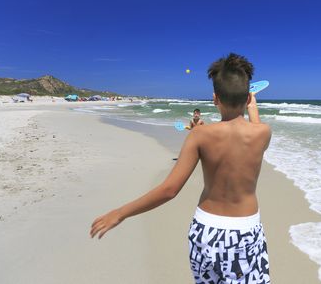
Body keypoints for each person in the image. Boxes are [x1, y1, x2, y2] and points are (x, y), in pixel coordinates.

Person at [90, 53, 272, 283]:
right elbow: (255, 124)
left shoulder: (200, 135)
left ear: (215, 99)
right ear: (247, 99)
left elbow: (169, 190)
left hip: (206, 231)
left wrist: (120, 213)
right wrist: (251, 102)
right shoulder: (263, 133)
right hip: (245, 233)